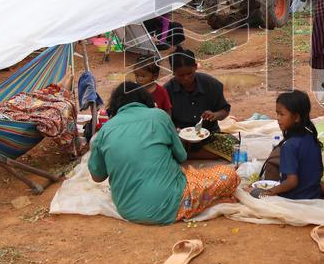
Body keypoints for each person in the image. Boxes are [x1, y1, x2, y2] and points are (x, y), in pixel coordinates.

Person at [88, 82, 238, 224]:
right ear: (145, 99)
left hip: (127, 210)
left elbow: (97, 176)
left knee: (187, 174)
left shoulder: (104, 131)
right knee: (229, 175)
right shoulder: (159, 116)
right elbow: (182, 157)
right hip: (170, 204)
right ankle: (204, 202)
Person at [254, 90, 324, 204]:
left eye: (282, 114)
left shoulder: (289, 146)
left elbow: (292, 182)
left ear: (296, 118)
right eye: (277, 114)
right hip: (313, 195)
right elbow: (317, 175)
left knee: (252, 192)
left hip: (295, 199)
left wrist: (270, 191)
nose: (278, 119)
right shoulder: (311, 138)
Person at [163, 47, 230, 136]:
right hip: (180, 136)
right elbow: (164, 120)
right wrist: (174, 130)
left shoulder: (212, 84)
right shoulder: (167, 90)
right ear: (173, 72)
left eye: (189, 73)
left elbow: (225, 110)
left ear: (195, 67)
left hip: (210, 134)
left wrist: (215, 115)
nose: (186, 78)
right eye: (180, 75)